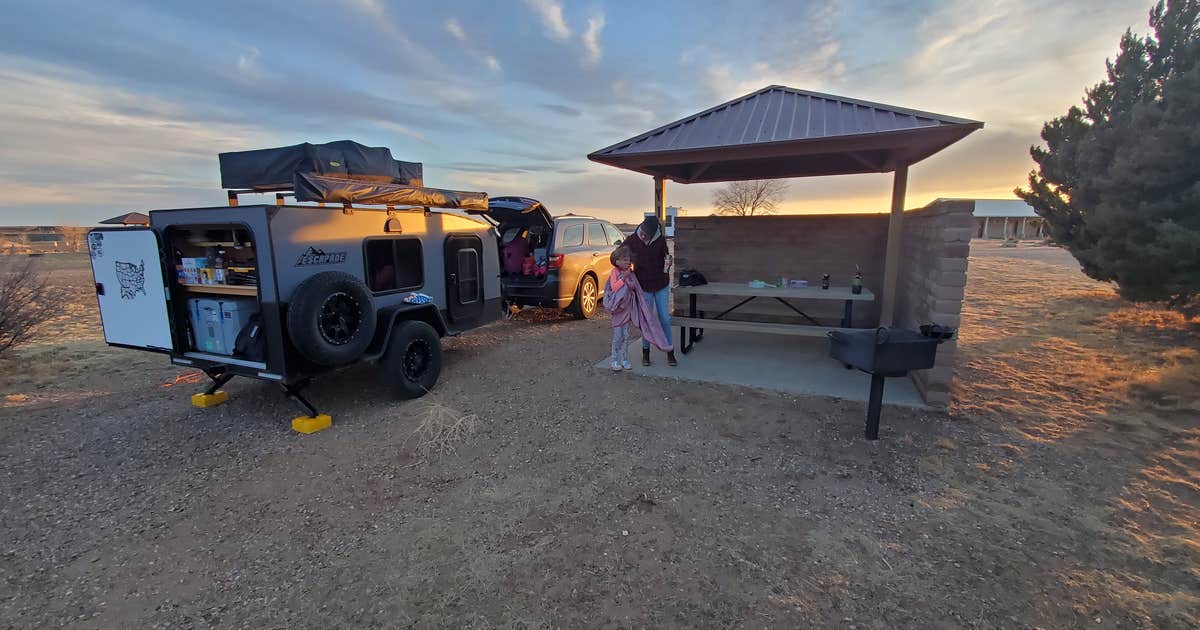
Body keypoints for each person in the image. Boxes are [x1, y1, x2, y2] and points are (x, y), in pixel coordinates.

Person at [604, 245, 671, 371]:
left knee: (625, 336)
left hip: (627, 310)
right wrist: (625, 278)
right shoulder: (615, 272)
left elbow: (634, 288)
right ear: (616, 261)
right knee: (617, 337)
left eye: (628, 260)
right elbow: (614, 287)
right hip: (618, 310)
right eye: (624, 259)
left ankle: (624, 359)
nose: (627, 262)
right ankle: (614, 360)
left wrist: (631, 281)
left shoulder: (630, 274)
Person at [624, 215, 677, 367]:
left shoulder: (660, 239)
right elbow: (618, 254)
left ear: (654, 232)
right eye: (643, 233)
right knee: (647, 320)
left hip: (661, 284)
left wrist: (669, 261)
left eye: (648, 234)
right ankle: (645, 353)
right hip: (643, 286)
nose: (644, 236)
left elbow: (666, 255)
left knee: (664, 318)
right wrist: (625, 266)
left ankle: (670, 351)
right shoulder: (634, 239)